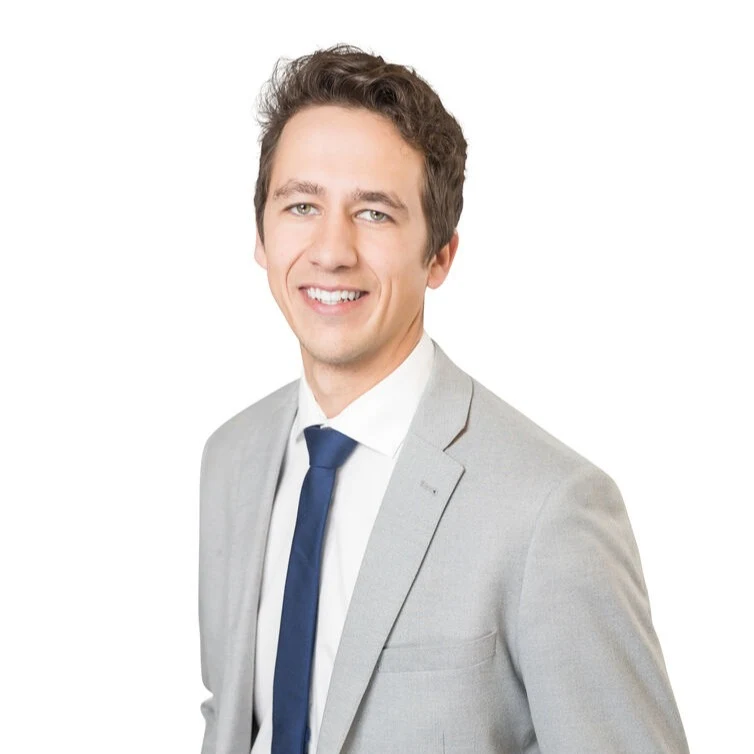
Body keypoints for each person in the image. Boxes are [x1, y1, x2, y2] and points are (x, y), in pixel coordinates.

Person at [198, 44, 689, 754]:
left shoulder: (550, 509)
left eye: (375, 213)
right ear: (261, 236)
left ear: (440, 255)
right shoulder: (231, 459)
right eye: (301, 205)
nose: (331, 250)